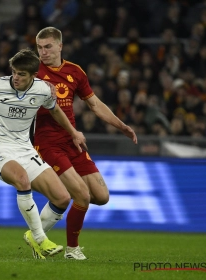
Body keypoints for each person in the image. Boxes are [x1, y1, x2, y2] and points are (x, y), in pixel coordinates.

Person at [0, 49, 87, 259]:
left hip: (25, 149)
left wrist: (73, 132)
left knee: (62, 198)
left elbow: (55, 110)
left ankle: (33, 236)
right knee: (22, 180)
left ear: (33, 76)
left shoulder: (42, 90)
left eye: (22, 74)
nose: (16, 78)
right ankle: (41, 239)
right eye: (14, 72)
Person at [33, 27, 138, 260]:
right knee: (81, 195)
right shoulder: (32, 73)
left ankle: (42, 225)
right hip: (48, 143)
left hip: (73, 142)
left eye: (48, 46)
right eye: (39, 47)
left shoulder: (75, 72)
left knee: (101, 196)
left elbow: (95, 104)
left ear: (60, 46)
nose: (43, 52)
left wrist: (122, 126)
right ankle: (70, 249)